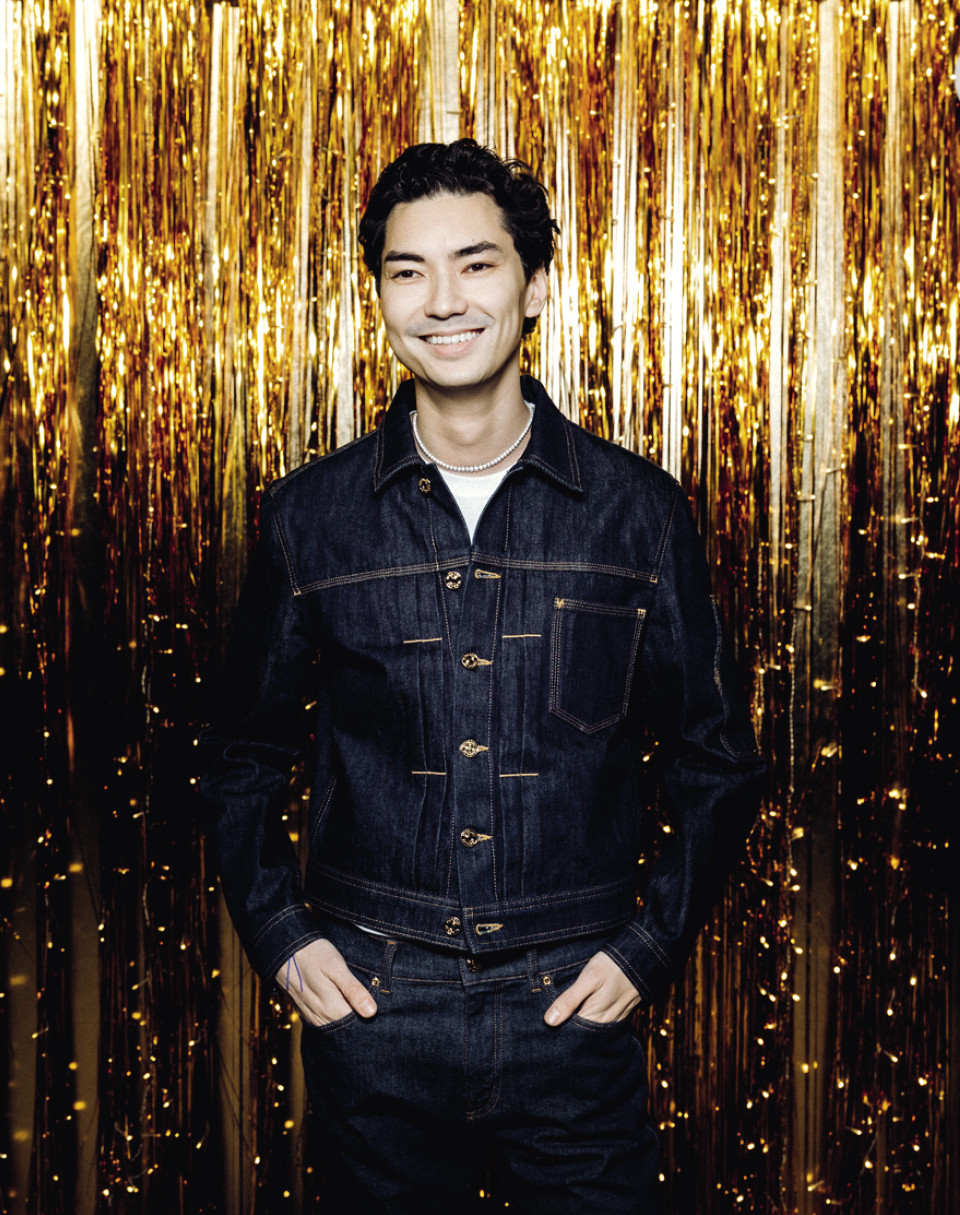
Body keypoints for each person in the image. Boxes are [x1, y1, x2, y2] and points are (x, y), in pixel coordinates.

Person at [200, 138, 765, 1213]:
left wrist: (647, 948)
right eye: (408, 271)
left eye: (477, 264)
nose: (443, 300)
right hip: (374, 1006)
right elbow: (239, 757)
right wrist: (282, 938)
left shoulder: (639, 512)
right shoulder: (308, 517)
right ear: (380, 299)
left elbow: (715, 759)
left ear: (535, 285)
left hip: (574, 1007)